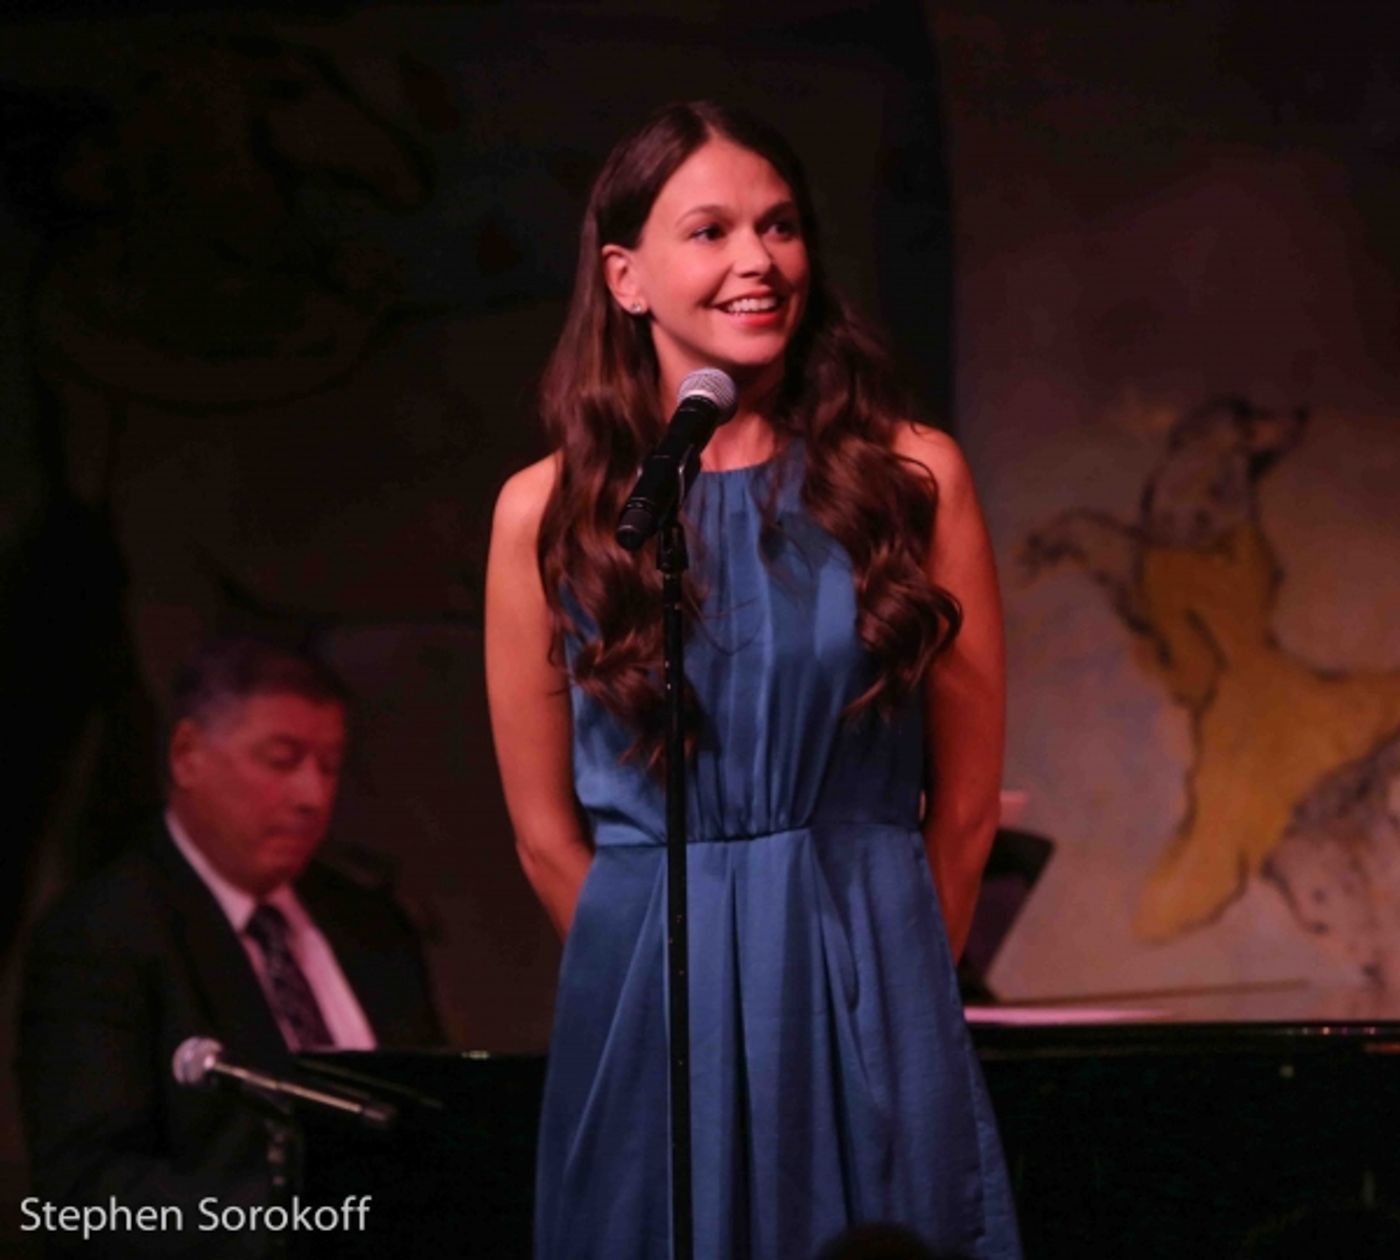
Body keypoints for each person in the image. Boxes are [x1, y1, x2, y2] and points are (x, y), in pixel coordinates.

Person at [485, 100, 1020, 1259]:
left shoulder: (908, 477)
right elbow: (543, 836)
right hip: (644, 1001)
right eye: (711, 231)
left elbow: (966, 807)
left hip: (867, 965)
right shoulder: (548, 511)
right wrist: (665, 990)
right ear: (625, 277)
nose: (755, 261)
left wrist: (885, 983)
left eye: (777, 227)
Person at [18, 636, 444, 1258]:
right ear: (188, 754)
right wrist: (307, 1224)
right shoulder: (103, 934)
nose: (313, 796)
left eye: (329, 765)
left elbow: (431, 1116)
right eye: (282, 759)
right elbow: (83, 1198)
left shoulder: (369, 922)